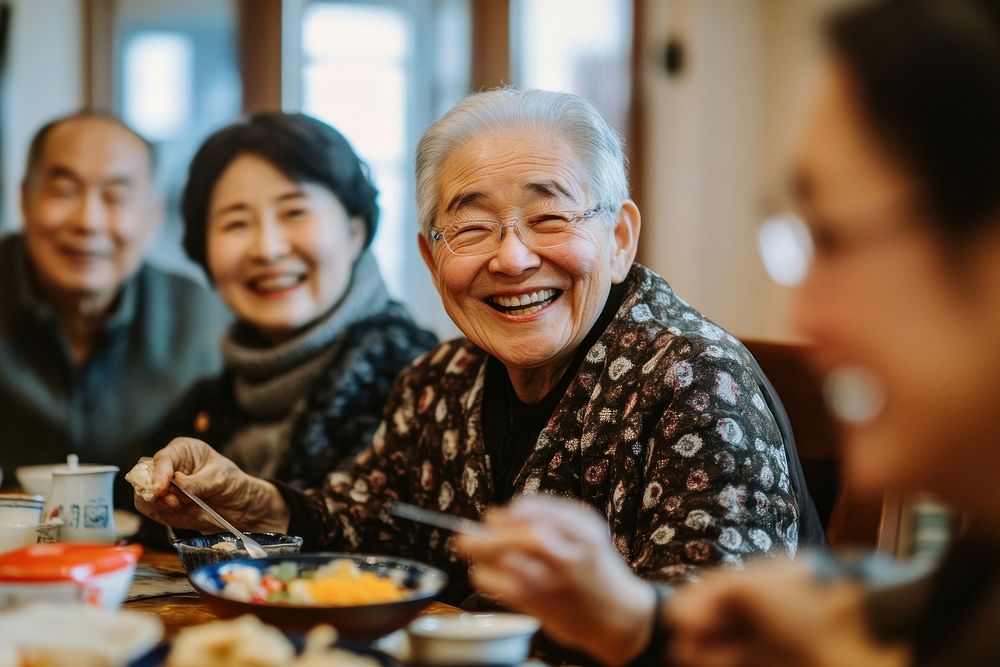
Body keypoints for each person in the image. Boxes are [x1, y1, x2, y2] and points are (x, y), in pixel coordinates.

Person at [458, 1, 1000, 665]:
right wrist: (637, 623)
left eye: (831, 237)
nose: (804, 314)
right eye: (472, 227)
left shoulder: (694, 371)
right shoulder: (973, 567)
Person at [134, 89, 816, 608]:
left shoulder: (694, 380)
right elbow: (369, 526)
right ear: (433, 261)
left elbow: (721, 630)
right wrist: (246, 499)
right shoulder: (438, 380)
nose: (513, 258)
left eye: (549, 217)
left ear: (618, 239)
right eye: (473, 227)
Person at [161, 112, 437, 488]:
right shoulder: (205, 406)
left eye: (294, 212)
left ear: (355, 231)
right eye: (236, 223)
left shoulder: (420, 386)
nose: (268, 249)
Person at [0, 112, 229, 505]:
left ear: (153, 217)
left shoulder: (203, 320)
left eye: (116, 197)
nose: (88, 221)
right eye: (64, 191)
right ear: (24, 199)